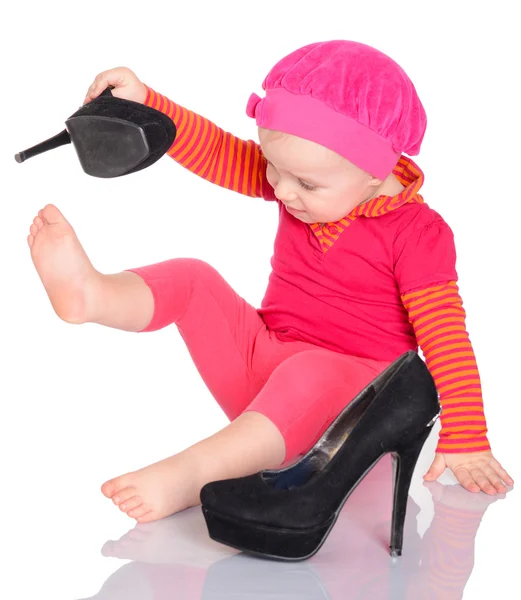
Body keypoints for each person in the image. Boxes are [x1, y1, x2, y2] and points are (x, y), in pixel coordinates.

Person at [27, 40, 513, 524]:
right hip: (264, 376)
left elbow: (446, 337)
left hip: (349, 411)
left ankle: (190, 474)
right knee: (194, 278)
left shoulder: (418, 234)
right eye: (274, 169)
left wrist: (467, 436)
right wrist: (149, 103)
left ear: (376, 172)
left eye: (304, 184)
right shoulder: (306, 180)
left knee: (313, 372)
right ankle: (93, 294)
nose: (281, 190)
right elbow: (216, 150)